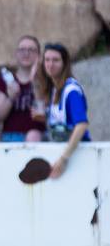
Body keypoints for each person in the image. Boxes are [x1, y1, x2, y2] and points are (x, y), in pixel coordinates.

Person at [41, 43, 90, 179]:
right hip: (61, 154)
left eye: (56, 60)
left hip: (77, 156)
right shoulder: (55, 88)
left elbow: (82, 125)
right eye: (47, 60)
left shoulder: (71, 90)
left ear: (65, 63)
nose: (50, 65)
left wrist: (63, 159)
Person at [0, 35, 46, 142]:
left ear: (39, 56)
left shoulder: (46, 80)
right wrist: (11, 98)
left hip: (38, 138)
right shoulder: (4, 80)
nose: (26, 53)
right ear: (16, 54)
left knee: (34, 135)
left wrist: (35, 82)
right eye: (22, 49)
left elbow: (42, 115)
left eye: (31, 50)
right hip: (10, 137)